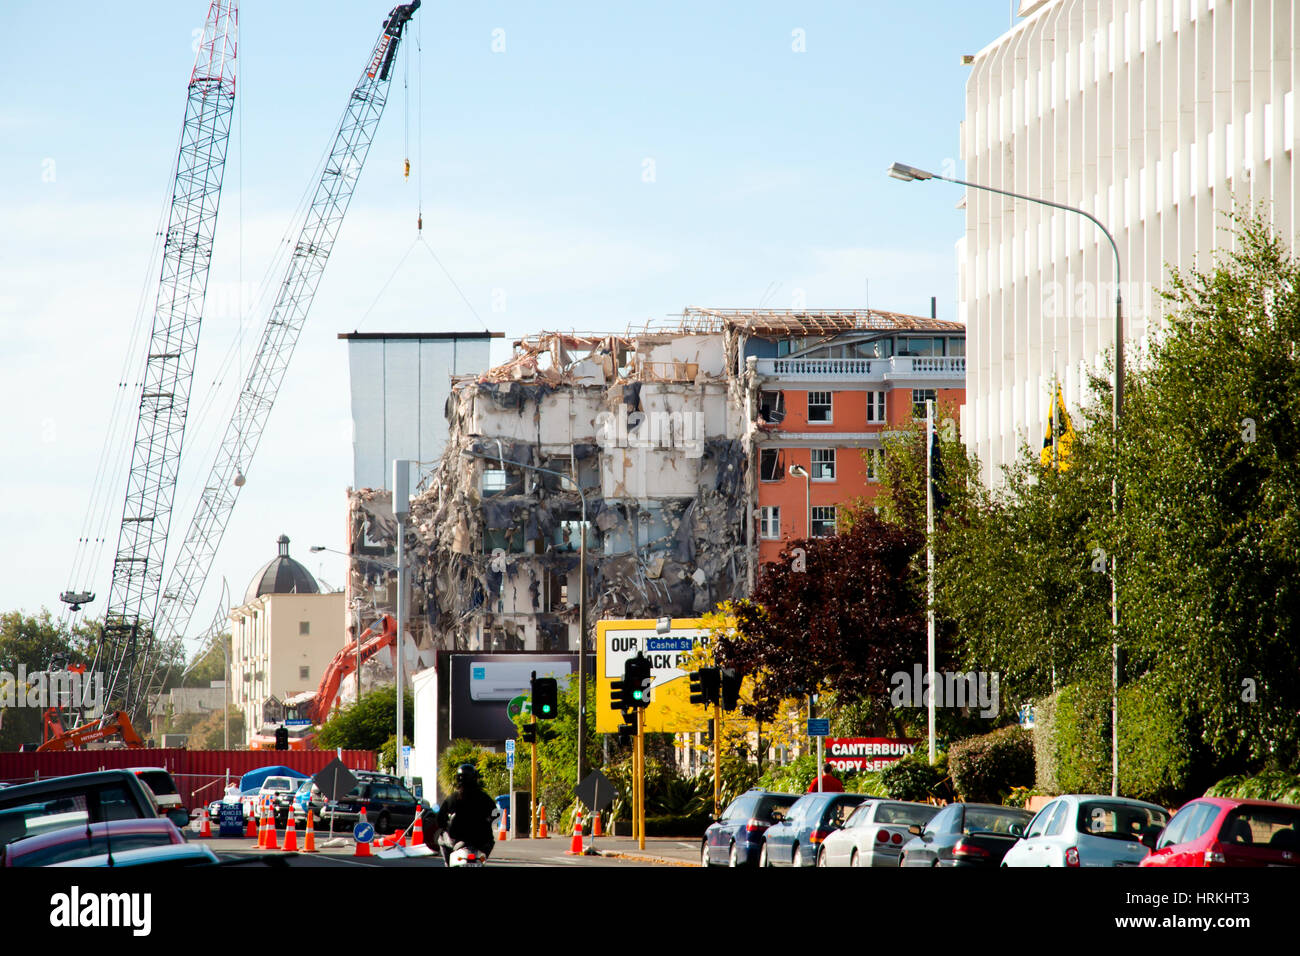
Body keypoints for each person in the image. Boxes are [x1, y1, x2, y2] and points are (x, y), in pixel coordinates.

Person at [435, 763, 498, 864]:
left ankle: (448, 863)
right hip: (481, 841)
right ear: (475, 778)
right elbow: (496, 814)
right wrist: (487, 822)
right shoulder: (484, 798)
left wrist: (447, 825)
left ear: (458, 779)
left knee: (441, 838)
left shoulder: (452, 799)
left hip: (455, 840)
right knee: (490, 841)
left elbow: (440, 820)